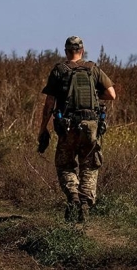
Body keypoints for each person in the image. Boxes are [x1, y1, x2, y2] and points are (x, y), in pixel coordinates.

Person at [37, 36, 117, 223]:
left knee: (65, 165)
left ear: (66, 51)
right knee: (89, 165)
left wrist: (42, 129)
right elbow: (111, 94)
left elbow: (49, 103)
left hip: (67, 127)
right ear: (82, 51)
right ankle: (85, 203)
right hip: (91, 127)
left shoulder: (59, 71)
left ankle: (73, 196)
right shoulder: (93, 69)